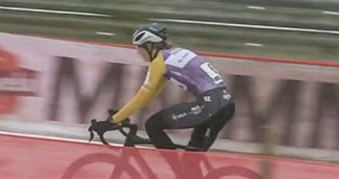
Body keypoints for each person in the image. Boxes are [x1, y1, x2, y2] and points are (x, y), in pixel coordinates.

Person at [91, 23, 235, 151]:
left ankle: (175, 169)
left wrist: (112, 121)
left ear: (150, 46)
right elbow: (150, 95)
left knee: (153, 125)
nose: (138, 52)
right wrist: (122, 114)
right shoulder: (176, 53)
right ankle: (183, 177)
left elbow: (142, 98)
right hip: (224, 105)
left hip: (210, 106)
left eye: (139, 48)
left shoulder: (159, 63)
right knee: (192, 156)